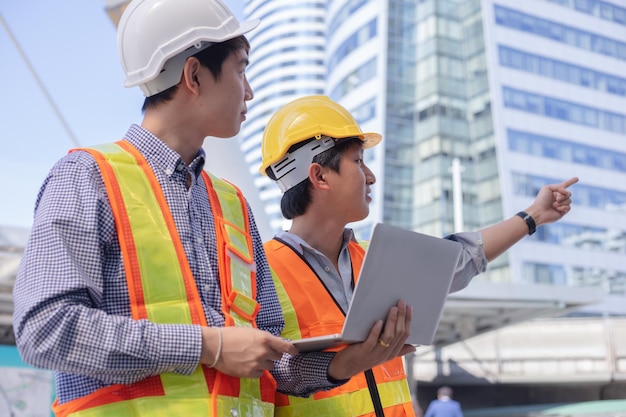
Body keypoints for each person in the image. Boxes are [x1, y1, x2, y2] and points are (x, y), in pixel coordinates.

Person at [11, 3, 411, 417]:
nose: (250, 90)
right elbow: (45, 330)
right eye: (241, 69)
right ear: (195, 75)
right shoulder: (87, 178)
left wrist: (349, 362)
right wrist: (208, 345)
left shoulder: (232, 203)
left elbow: (272, 356)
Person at [258, 95, 578, 417]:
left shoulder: (375, 257)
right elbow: (264, 367)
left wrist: (534, 215)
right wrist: (343, 364)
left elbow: (463, 256)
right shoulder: (261, 270)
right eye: (357, 161)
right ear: (320, 176)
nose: (370, 176)